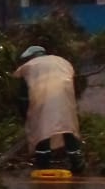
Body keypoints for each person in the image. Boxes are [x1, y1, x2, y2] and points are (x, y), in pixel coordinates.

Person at [14, 45, 84, 173]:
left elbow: (23, 97)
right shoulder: (62, 62)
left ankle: (43, 165)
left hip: (42, 102)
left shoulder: (29, 67)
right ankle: (78, 164)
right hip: (65, 101)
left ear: (31, 57)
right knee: (68, 130)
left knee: (42, 132)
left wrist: (25, 114)